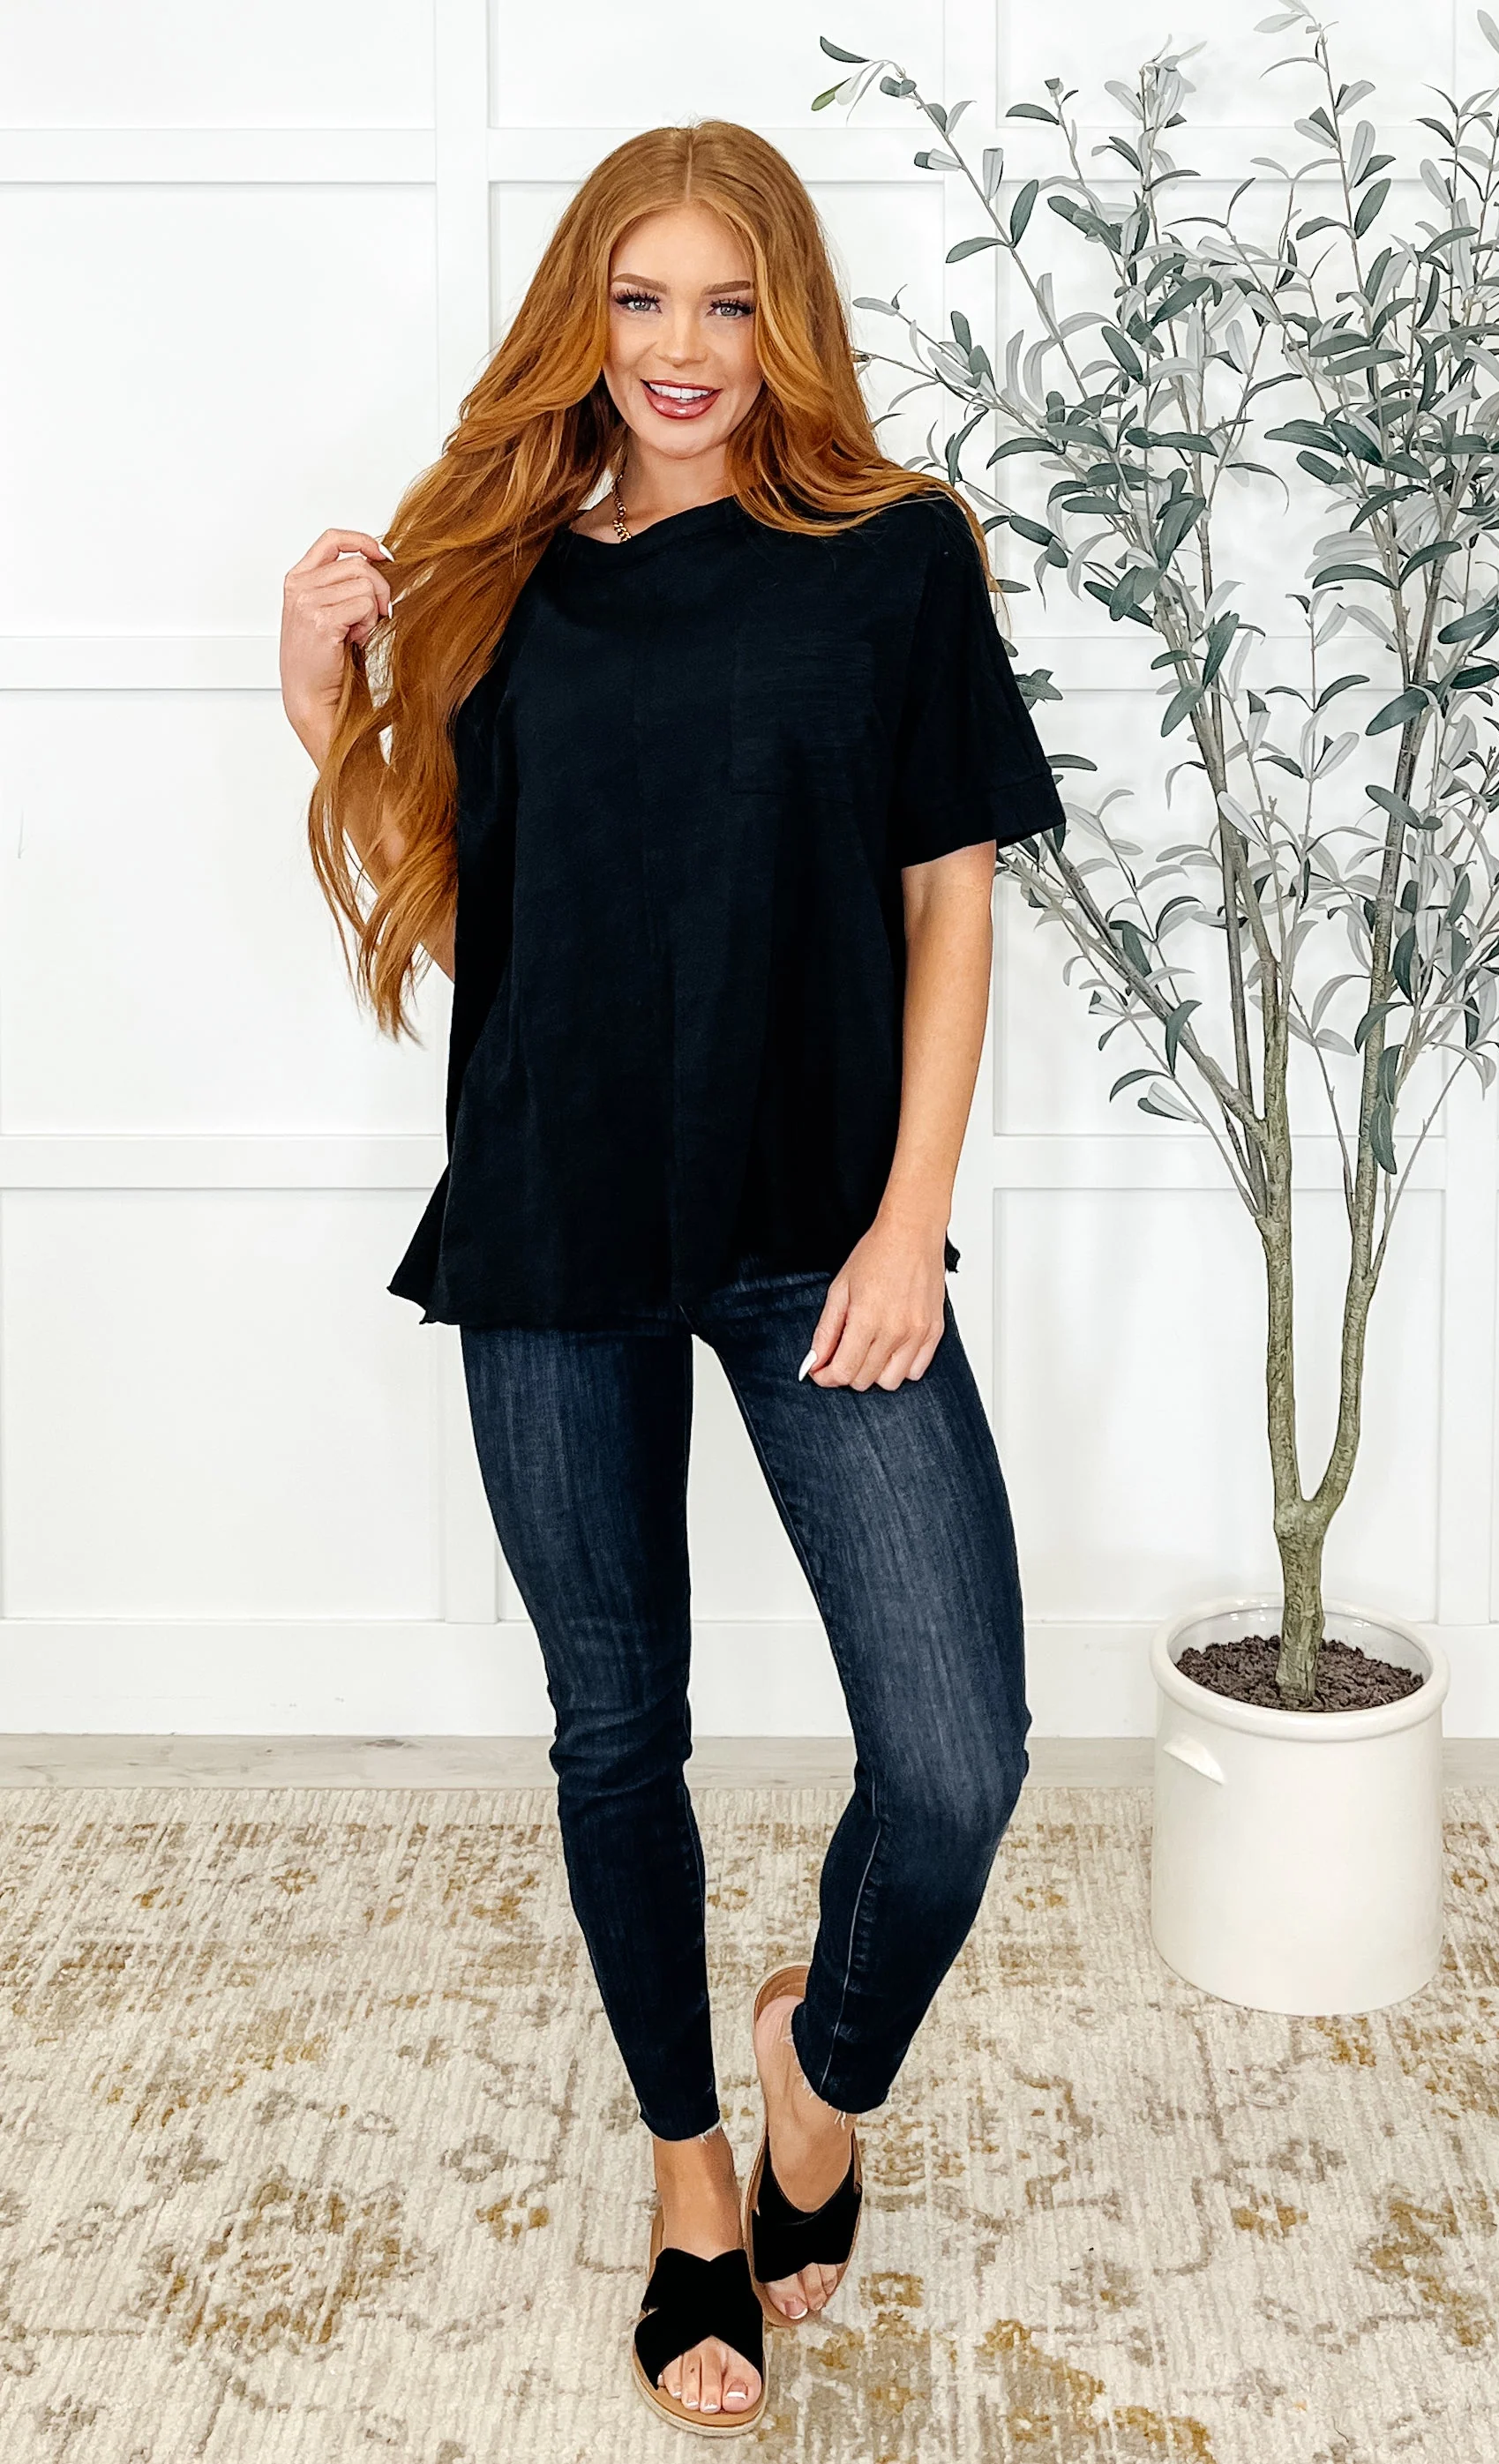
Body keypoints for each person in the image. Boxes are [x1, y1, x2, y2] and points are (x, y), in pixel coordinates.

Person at [279, 116, 1062, 2437]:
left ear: (787, 318)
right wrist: (320, 689)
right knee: (619, 1733)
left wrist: (906, 1221)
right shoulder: (497, 565)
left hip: (820, 1224)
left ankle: (824, 2078)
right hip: (556, 1222)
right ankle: (691, 2182)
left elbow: (948, 901)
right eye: (640, 299)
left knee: (957, 1757)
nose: (683, 348)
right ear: (581, 316)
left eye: (729, 301)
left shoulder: (891, 559)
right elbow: (463, 893)